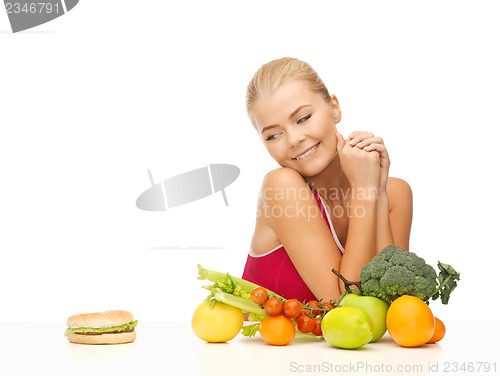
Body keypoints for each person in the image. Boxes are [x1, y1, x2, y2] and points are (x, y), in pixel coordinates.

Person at [241, 57, 413, 303]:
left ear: (334, 107)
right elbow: (345, 305)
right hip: (262, 342)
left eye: (303, 118)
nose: (294, 139)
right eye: (273, 135)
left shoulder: (395, 193)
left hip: (348, 343)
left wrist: (378, 195)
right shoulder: (281, 187)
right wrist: (364, 191)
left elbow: (396, 304)